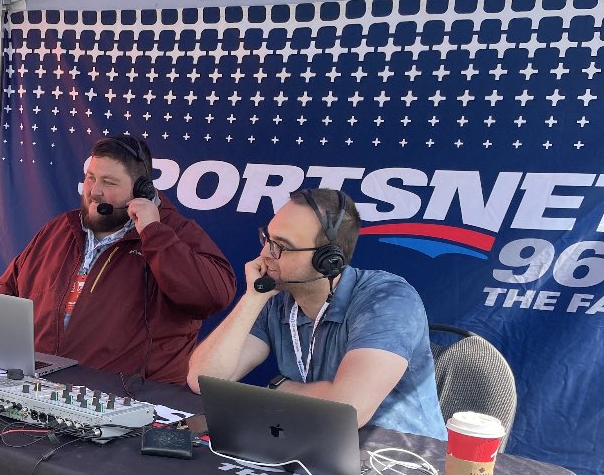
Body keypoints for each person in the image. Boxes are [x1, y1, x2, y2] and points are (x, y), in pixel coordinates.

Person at [186, 188, 447, 440]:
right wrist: (252, 298)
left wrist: (280, 388)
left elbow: (347, 411)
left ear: (328, 260)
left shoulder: (389, 299)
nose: (265, 254)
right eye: (267, 238)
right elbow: (202, 381)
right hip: (318, 448)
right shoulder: (276, 299)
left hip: (403, 466)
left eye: (281, 246)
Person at [0, 134, 236, 386]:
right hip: (41, 386)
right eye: (91, 178)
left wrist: (154, 233)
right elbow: (9, 291)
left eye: (109, 182)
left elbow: (214, 295)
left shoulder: (173, 233)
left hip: (132, 399)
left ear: (141, 189)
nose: (94, 191)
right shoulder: (59, 228)